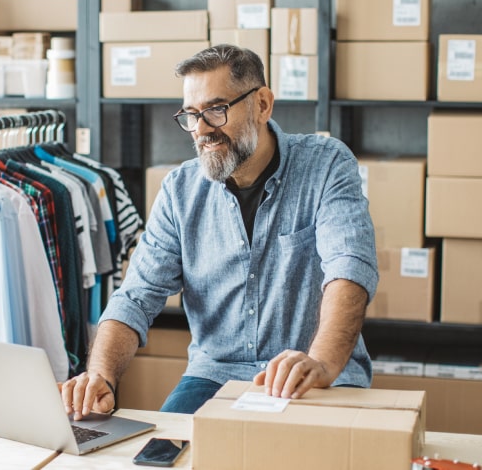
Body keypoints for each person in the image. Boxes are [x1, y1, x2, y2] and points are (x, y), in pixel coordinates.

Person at [61, 44, 378, 420]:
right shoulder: (180, 190)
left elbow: (349, 269)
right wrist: (100, 375)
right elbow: (136, 296)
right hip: (214, 378)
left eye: (216, 110)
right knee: (159, 459)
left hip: (312, 374)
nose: (202, 130)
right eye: (191, 115)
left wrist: (323, 362)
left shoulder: (327, 165)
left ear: (262, 104)